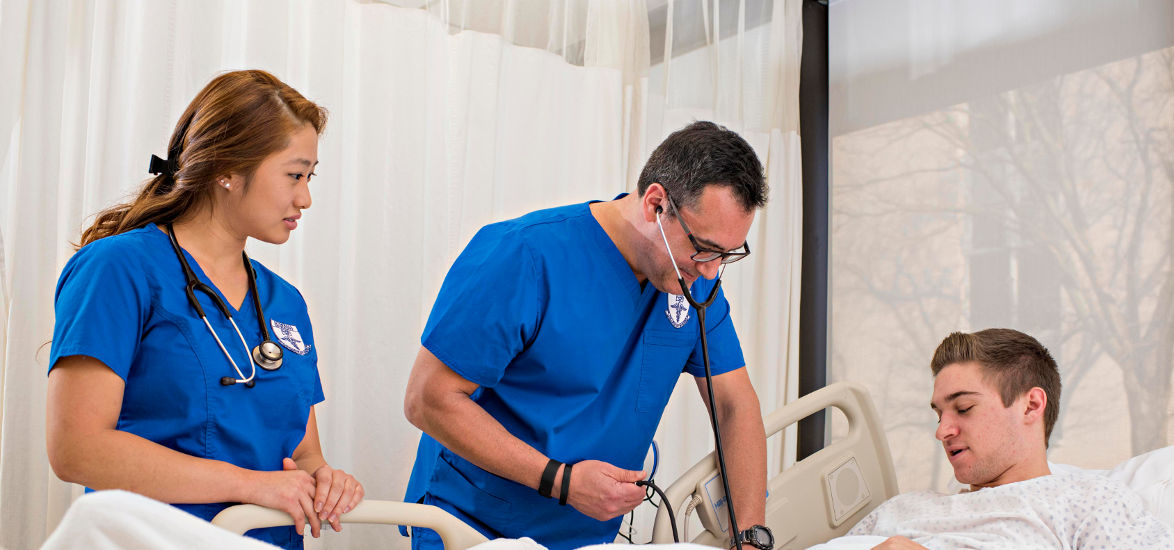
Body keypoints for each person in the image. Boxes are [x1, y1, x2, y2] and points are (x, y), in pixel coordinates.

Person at [403, 121, 772, 550]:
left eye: (727, 255)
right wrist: (562, 482)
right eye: (704, 248)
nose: (711, 270)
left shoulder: (696, 282)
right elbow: (427, 399)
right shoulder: (523, 255)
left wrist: (751, 536)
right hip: (476, 525)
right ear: (656, 203)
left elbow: (733, 403)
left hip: (588, 537)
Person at [46, 70, 362, 550]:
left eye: (309, 177)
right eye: (295, 175)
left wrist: (327, 481)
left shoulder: (285, 303)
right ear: (228, 170)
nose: (306, 198)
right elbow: (77, 448)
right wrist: (246, 484)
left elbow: (303, 454)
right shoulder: (118, 269)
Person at [843, 328, 1174, 549]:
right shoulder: (900, 510)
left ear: (1031, 406)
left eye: (963, 408)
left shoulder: (1084, 503)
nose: (942, 430)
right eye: (939, 414)